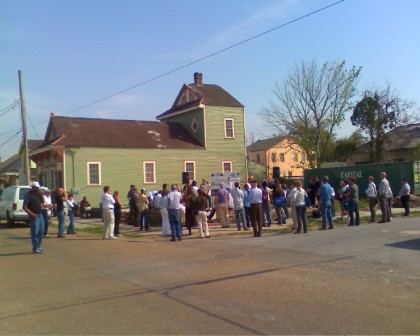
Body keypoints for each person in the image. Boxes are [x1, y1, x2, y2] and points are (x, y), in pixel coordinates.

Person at [23, 181, 45, 254]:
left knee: (41, 231)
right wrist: (31, 214)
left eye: (38, 187)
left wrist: (41, 193)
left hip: (40, 214)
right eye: (36, 187)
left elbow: (43, 201)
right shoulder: (28, 195)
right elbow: (25, 207)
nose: (38, 188)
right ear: (33, 187)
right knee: (34, 232)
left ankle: (38, 246)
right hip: (33, 216)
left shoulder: (38, 194)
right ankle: (35, 248)